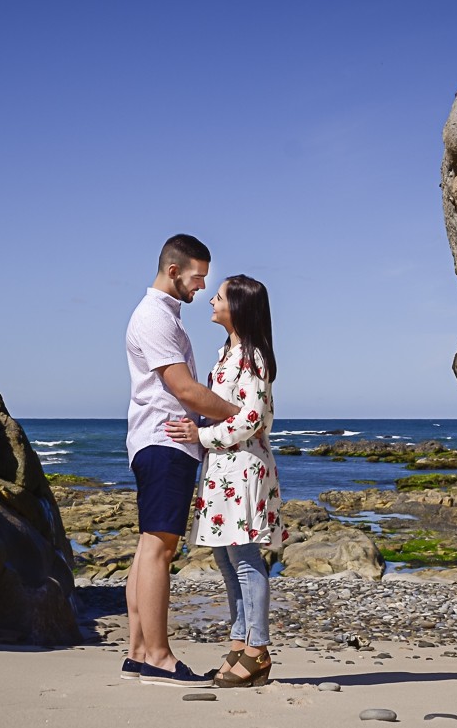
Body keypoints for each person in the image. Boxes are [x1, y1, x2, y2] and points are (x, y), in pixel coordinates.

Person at [123, 234, 240, 688]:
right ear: (174, 271)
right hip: (164, 442)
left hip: (161, 442)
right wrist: (245, 416)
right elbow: (184, 389)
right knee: (160, 549)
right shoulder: (153, 317)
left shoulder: (165, 317)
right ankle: (157, 656)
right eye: (197, 278)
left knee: (148, 546)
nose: (201, 287)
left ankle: (137, 652)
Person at [165, 274, 286, 688]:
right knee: (224, 557)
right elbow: (226, 409)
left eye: (218, 297)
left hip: (243, 468)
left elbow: (251, 419)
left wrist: (199, 435)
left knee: (246, 559)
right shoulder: (226, 353)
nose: (211, 301)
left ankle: (258, 650)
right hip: (222, 469)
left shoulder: (253, 356)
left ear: (238, 307)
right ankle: (239, 640)